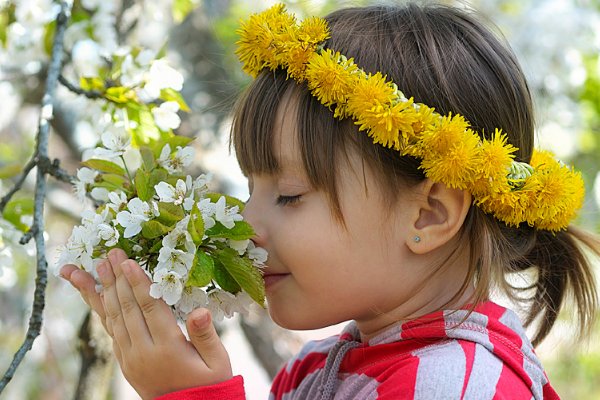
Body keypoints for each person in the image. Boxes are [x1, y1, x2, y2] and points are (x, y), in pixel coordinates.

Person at [59, 2, 600, 399]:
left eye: (289, 195)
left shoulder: (453, 386)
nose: (247, 225)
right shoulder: (321, 369)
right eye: (251, 190)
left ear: (429, 213)